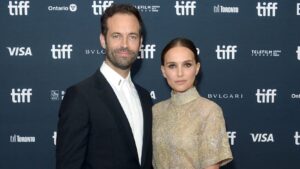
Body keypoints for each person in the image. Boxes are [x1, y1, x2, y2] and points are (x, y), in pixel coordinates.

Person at [56, 4, 153, 169]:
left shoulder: (145, 97)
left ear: (140, 42)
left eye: (132, 36)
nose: (125, 44)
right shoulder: (80, 96)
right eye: (116, 36)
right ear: (103, 40)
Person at [152, 37, 233, 169]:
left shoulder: (210, 111)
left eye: (187, 65)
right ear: (163, 71)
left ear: (197, 68)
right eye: (172, 66)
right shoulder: (156, 111)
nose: (180, 73)